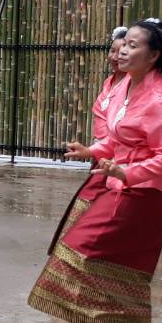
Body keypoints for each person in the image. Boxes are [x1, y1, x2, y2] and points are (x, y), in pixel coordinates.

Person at [27, 18, 162, 323]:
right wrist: (91, 152)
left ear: (155, 54)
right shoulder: (123, 86)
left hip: (145, 192)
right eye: (123, 43)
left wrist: (128, 171)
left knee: (80, 247)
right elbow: (114, 140)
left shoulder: (161, 102)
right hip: (122, 184)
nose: (123, 50)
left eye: (133, 45)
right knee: (126, 265)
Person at [46, 25, 129, 255]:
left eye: (122, 52)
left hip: (116, 162)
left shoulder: (134, 88)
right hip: (100, 155)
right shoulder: (110, 82)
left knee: (90, 221)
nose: (115, 57)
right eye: (112, 51)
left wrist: (96, 151)